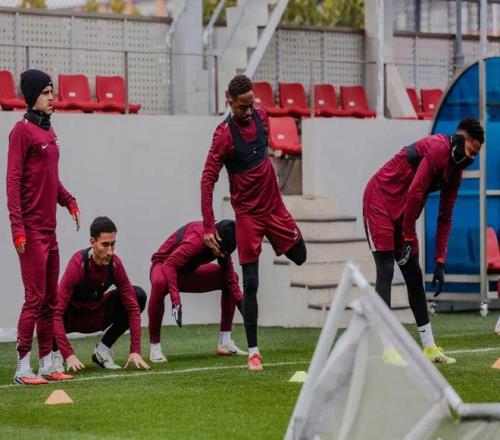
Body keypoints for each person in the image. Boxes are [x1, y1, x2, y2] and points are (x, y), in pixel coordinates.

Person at [200, 75, 307, 371]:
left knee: (301, 256)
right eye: (242, 107)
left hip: (274, 208)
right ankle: (254, 353)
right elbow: (207, 180)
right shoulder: (223, 135)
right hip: (248, 215)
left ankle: (273, 239)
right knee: (251, 282)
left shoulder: (262, 116)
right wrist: (208, 225)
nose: (248, 111)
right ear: (229, 100)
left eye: (251, 104)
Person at [363, 117, 484, 364]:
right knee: (386, 270)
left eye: (476, 155)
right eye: (471, 151)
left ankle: (429, 347)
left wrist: (440, 260)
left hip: (404, 214)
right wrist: (409, 235)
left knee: (414, 276)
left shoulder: (456, 172)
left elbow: (445, 217)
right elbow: (415, 191)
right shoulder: (438, 147)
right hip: (379, 202)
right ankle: (387, 347)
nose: (472, 159)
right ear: (461, 140)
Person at [7, 69, 80, 385]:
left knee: (51, 302)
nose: (52, 98)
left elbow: (51, 179)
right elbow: (12, 182)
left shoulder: (49, 132)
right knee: (34, 299)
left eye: (53, 92)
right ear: (32, 96)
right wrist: (17, 228)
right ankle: (23, 369)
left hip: (50, 231)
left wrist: (69, 201)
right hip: (31, 231)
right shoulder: (21, 132)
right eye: (46, 93)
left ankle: (47, 365)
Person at [52, 217, 150, 372]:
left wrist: (135, 350)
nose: (110, 251)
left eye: (113, 244)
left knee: (138, 296)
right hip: (71, 319)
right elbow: (56, 312)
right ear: (92, 242)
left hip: (96, 316)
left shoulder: (115, 264)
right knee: (49, 304)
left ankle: (102, 351)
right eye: (105, 245)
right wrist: (68, 354)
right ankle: (55, 354)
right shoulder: (78, 264)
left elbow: (132, 307)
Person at [148, 219, 246, 363]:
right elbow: (170, 265)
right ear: (215, 238)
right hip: (164, 266)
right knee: (159, 283)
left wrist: (241, 304)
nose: (219, 253)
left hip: (187, 272)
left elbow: (229, 274)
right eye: (219, 250)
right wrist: (176, 302)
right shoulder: (198, 238)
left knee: (231, 279)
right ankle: (155, 348)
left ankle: (225, 341)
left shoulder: (223, 239)